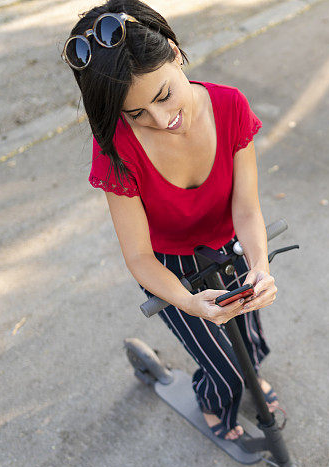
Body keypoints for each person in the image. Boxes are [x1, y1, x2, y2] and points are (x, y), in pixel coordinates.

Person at [63, 0, 280, 441]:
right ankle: (214, 402)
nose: (162, 120)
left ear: (176, 53)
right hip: (168, 266)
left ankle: (248, 376)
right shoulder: (116, 151)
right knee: (221, 364)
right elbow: (140, 256)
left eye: (163, 95)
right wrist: (188, 300)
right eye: (136, 113)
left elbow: (247, 208)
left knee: (249, 337)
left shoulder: (230, 105)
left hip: (229, 247)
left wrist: (259, 266)